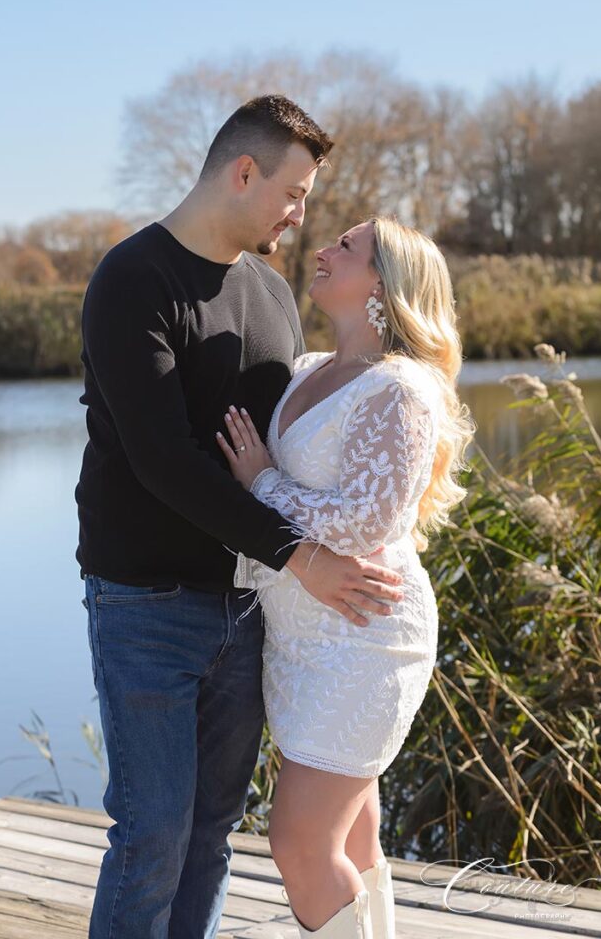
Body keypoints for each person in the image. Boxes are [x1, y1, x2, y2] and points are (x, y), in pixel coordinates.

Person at [75, 95, 409, 939]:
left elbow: (286, 453)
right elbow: (163, 460)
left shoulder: (268, 295)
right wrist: (301, 555)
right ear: (244, 172)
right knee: (151, 835)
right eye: (293, 194)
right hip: (145, 601)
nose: (300, 217)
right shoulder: (133, 278)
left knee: (212, 834)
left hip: (248, 606)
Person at [216, 215, 476, 939]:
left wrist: (263, 483)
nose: (324, 250)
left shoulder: (401, 389)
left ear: (383, 286)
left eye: (348, 246)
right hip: (300, 635)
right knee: (352, 837)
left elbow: (367, 522)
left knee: (299, 844)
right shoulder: (306, 370)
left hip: (364, 634)